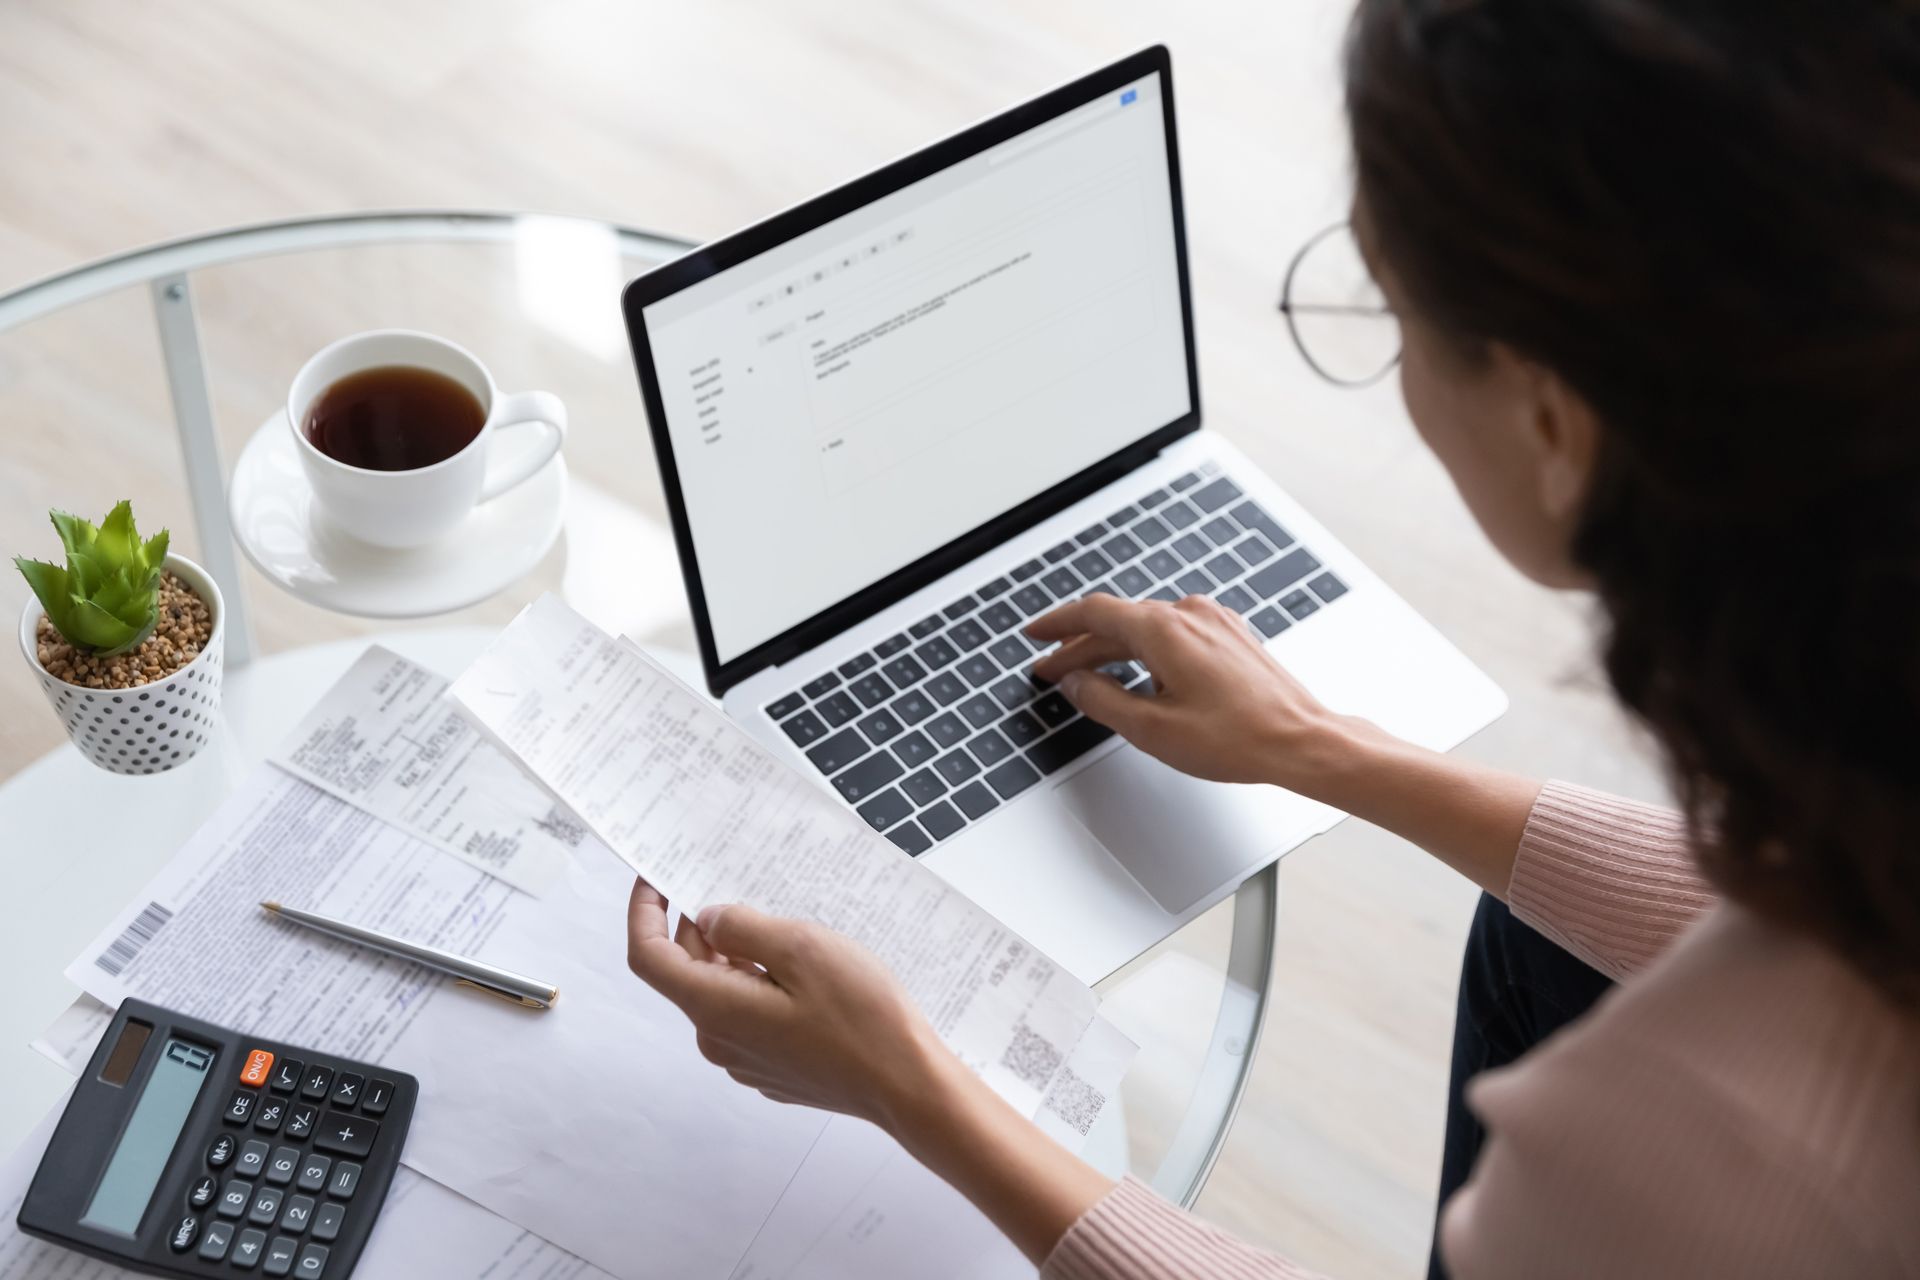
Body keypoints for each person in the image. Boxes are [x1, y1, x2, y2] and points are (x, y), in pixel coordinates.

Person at [625, 1, 1920, 1274]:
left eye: (1390, 310)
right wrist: (1322, 749)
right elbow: (1774, 894)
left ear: (1550, 424)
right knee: (1534, 942)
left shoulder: (1685, 1161)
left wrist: (915, 1090)